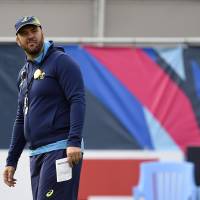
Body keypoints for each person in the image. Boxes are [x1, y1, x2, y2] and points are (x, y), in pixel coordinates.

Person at [3, 16, 85, 200]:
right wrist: (11, 160)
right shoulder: (24, 74)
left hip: (61, 150)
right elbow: (21, 117)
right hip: (36, 154)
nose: (30, 36)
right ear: (18, 41)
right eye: (24, 33)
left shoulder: (61, 61)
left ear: (42, 32)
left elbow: (77, 100)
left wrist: (73, 142)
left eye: (34, 31)